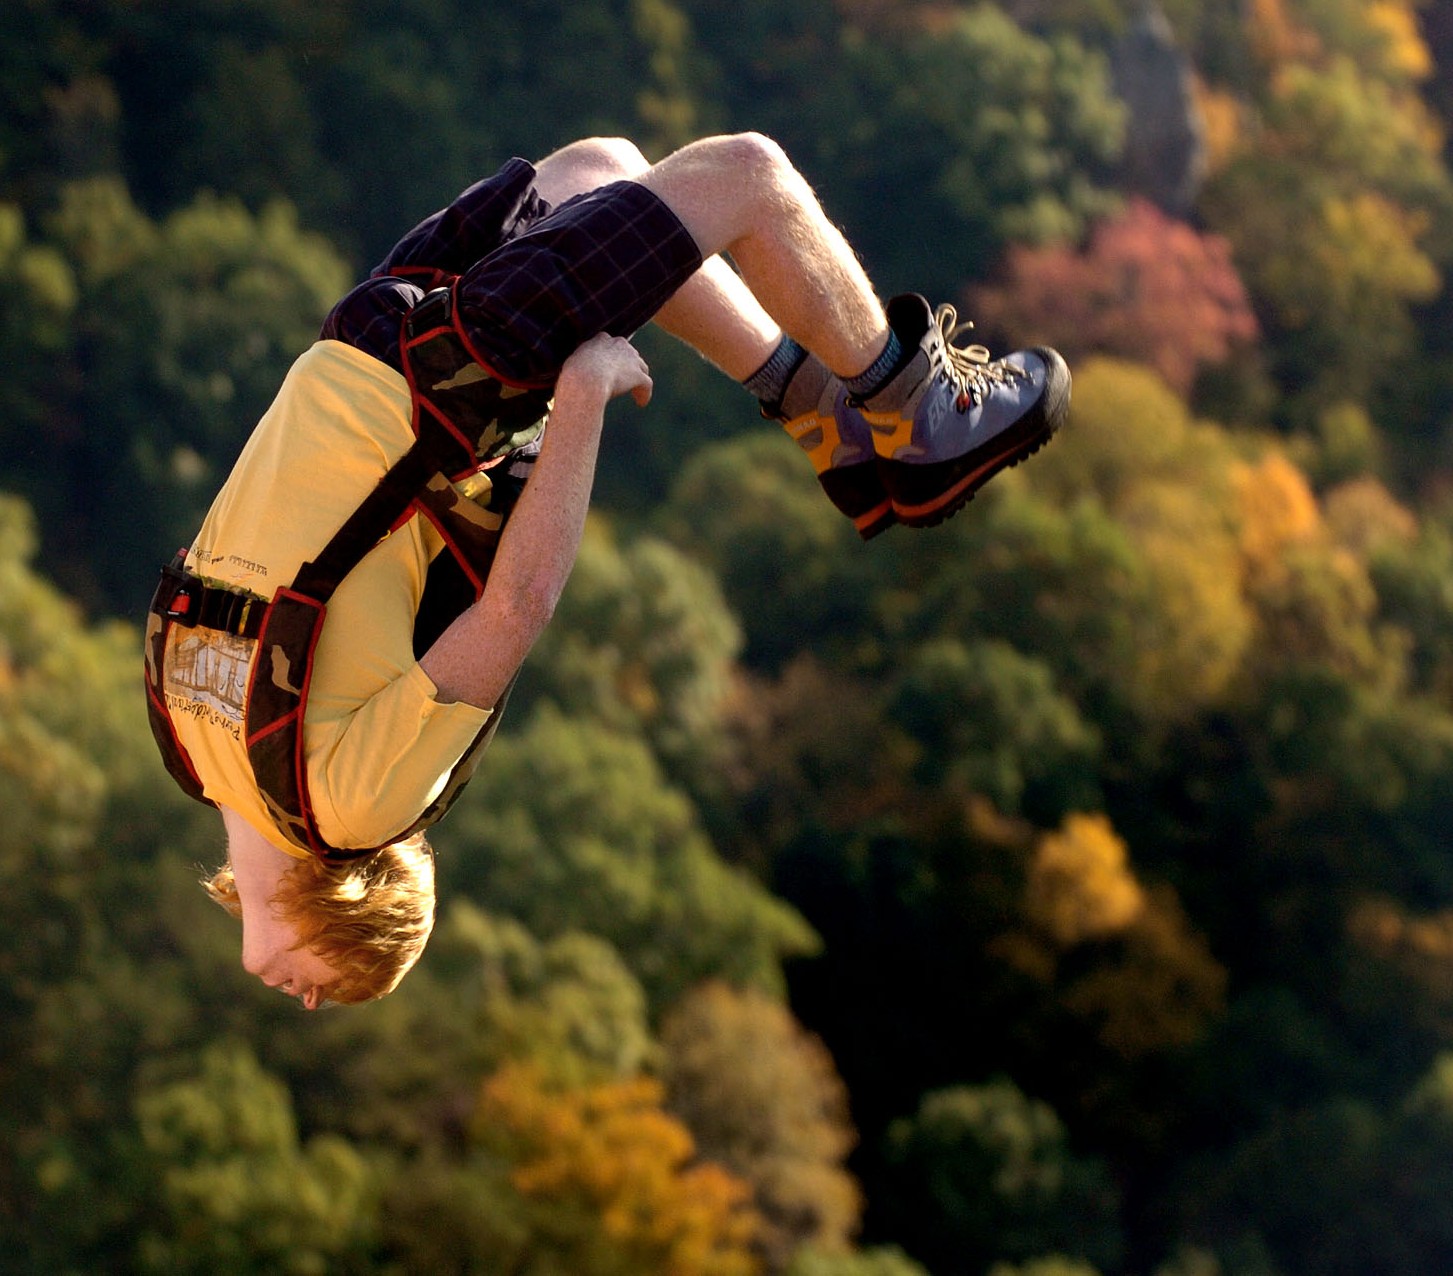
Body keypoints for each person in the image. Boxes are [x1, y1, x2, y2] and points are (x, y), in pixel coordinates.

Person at [144, 133, 1069, 1009]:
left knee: (605, 166)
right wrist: (581, 394)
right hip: (458, 373)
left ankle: (830, 424)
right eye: (337, 987)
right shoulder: (356, 807)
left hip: (371, 338)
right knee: (746, 172)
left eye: (319, 992)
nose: (305, 995)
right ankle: (917, 422)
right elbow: (514, 609)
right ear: (355, 907)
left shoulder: (195, 758)